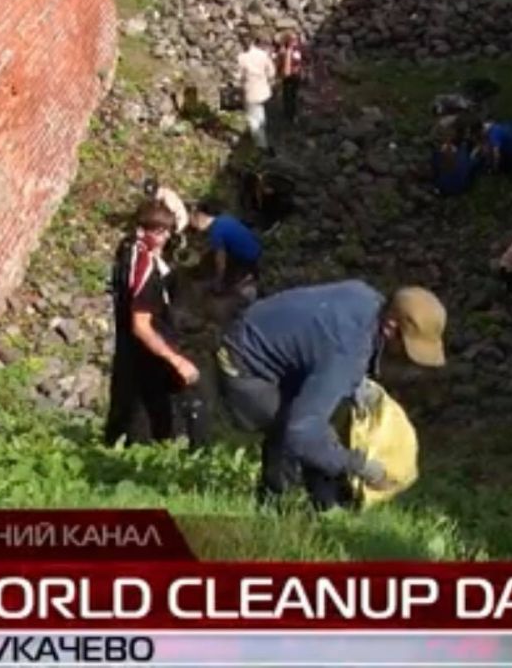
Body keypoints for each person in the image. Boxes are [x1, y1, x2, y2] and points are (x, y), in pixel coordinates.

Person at [214, 281, 447, 509]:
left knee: (316, 437)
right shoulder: (348, 352)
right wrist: (360, 466)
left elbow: (321, 342)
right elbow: (302, 433)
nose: (406, 360)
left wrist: (356, 384)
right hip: (243, 363)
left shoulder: (366, 299)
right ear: (390, 327)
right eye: (406, 350)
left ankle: (324, 505)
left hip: (266, 345)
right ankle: (277, 508)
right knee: (294, 433)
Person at [104, 200, 206, 448]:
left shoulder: (128, 252)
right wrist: (176, 360)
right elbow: (142, 325)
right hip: (149, 350)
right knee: (156, 412)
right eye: (158, 232)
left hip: (128, 352)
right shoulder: (145, 272)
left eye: (168, 231)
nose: (165, 237)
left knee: (127, 406)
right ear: (142, 230)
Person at [190, 200, 263, 300]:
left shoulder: (216, 233)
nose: (195, 229)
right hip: (256, 248)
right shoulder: (224, 218)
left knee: (234, 289)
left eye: (194, 225)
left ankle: (245, 288)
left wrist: (218, 281)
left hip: (248, 259)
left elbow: (221, 262)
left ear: (199, 218)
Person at [236, 35, 278, 151]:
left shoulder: (241, 58)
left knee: (253, 118)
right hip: (263, 90)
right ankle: (262, 136)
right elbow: (272, 72)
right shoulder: (262, 55)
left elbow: (239, 76)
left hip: (250, 90)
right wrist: (266, 79)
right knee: (260, 113)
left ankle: (261, 145)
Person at [142, 178, 189, 251]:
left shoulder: (168, 200)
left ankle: (179, 243)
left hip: (179, 220)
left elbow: (171, 215)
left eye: (154, 193)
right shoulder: (160, 196)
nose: (152, 196)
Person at [430, 132, 476, 198]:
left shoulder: (439, 156)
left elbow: (435, 167)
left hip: (446, 187)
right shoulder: (463, 156)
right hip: (460, 188)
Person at [276, 29, 306, 123]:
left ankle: (294, 115)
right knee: (287, 96)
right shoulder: (283, 51)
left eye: (296, 39)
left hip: (296, 76)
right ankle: (288, 115)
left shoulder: (297, 50)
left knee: (294, 95)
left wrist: (301, 69)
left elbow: (302, 61)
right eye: (293, 39)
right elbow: (279, 64)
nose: (295, 41)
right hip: (286, 77)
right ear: (288, 40)